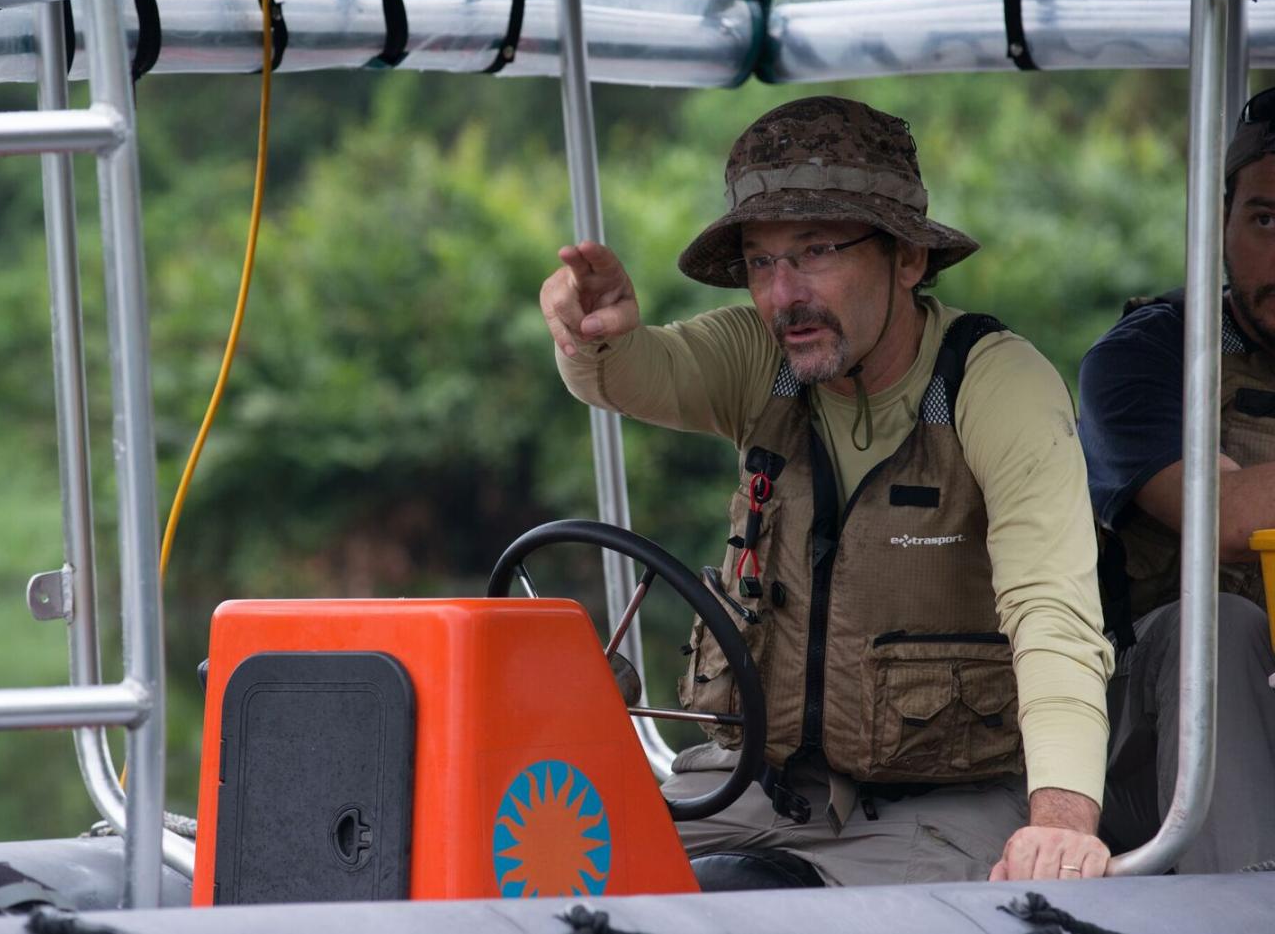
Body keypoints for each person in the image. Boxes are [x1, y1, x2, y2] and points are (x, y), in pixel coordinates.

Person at [538, 96, 1114, 886]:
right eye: (761, 261)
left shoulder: (994, 384)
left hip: (941, 803)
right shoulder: (760, 358)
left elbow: (1052, 609)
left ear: (907, 259)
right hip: (746, 788)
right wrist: (590, 333)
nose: (782, 295)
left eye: (814, 251)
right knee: (567, 879)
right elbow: (637, 371)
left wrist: (1060, 821)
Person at [1077, 85, 1275, 874]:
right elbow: (1224, 513)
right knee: (1217, 625)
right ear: (1220, 223)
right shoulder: (1151, 357)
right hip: (1157, 743)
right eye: (1268, 219)